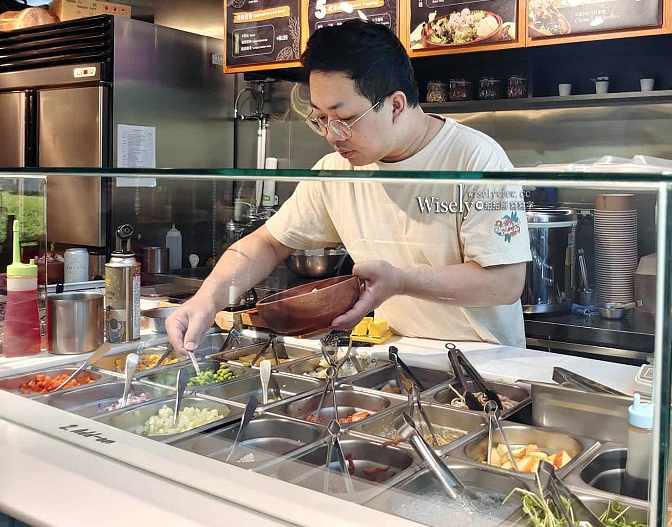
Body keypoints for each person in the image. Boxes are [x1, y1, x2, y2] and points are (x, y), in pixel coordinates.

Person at [166, 20, 530, 352]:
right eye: (320, 119)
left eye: (343, 118)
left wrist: (401, 281)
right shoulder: (335, 170)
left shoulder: (476, 159)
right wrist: (207, 299)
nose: (331, 135)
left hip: (487, 358)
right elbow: (269, 241)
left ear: (396, 105)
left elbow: (504, 283)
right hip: (400, 352)